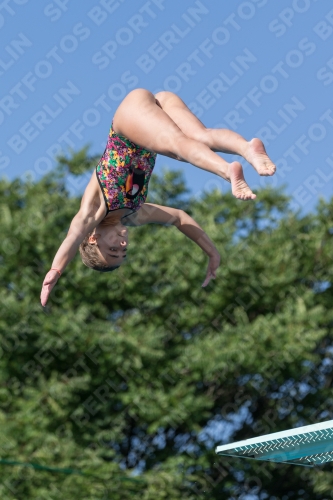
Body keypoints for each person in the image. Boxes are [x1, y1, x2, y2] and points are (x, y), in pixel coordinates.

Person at [40, 89, 276, 306]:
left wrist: (56, 270)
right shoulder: (136, 213)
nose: (122, 246)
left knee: (179, 147)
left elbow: (73, 235)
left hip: (129, 120)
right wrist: (212, 252)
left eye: (113, 250)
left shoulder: (96, 209)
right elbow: (179, 218)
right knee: (201, 137)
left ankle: (228, 172)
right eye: (123, 253)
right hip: (158, 106)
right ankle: (248, 148)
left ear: (92, 238)